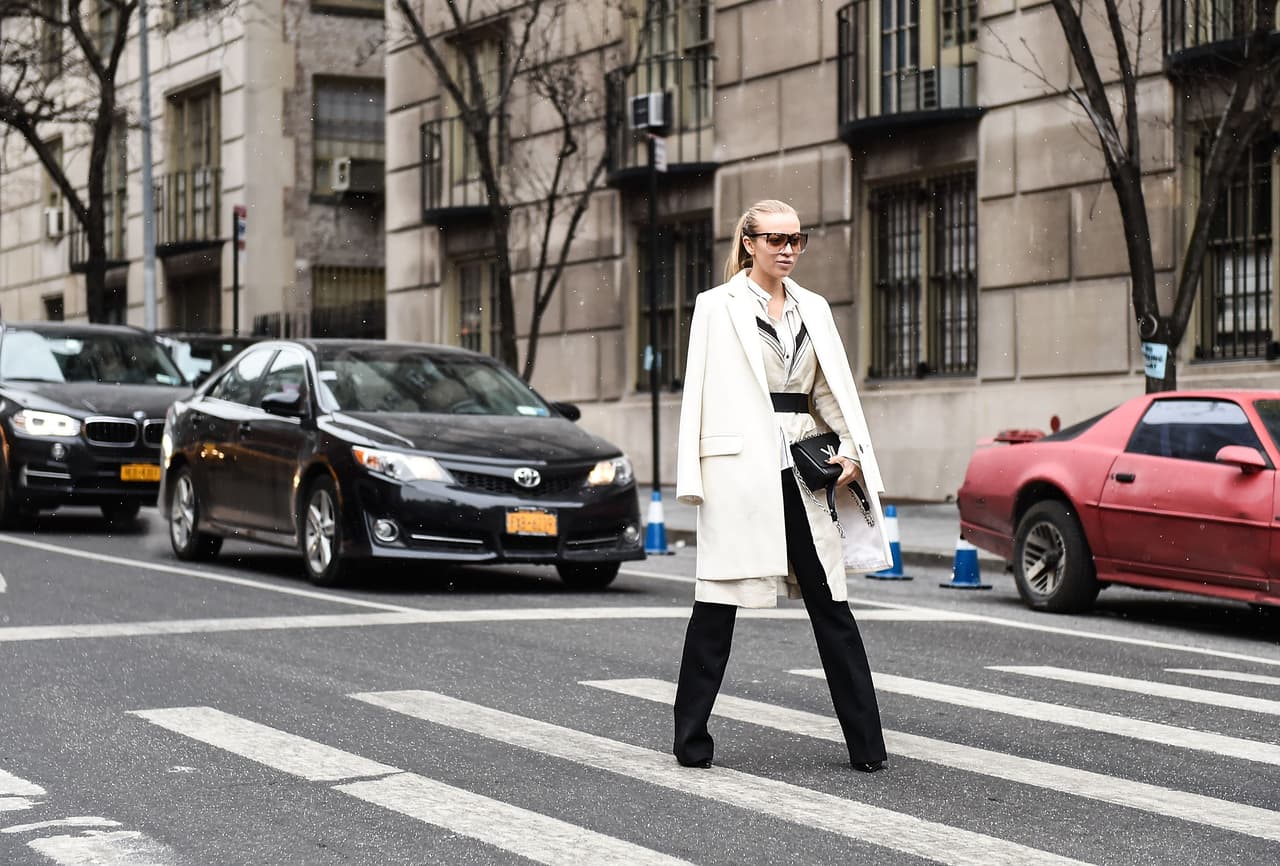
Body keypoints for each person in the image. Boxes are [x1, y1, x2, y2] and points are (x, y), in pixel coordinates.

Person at [672, 199, 894, 773]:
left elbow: (828, 390)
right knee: (717, 606)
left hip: (802, 468)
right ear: (749, 243)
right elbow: (695, 392)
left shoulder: (813, 307)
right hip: (738, 472)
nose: (788, 249)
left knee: (833, 606)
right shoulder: (715, 307)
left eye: (797, 239)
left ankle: (868, 748)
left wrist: (850, 451)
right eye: (775, 239)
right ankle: (690, 742)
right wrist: (693, 480)